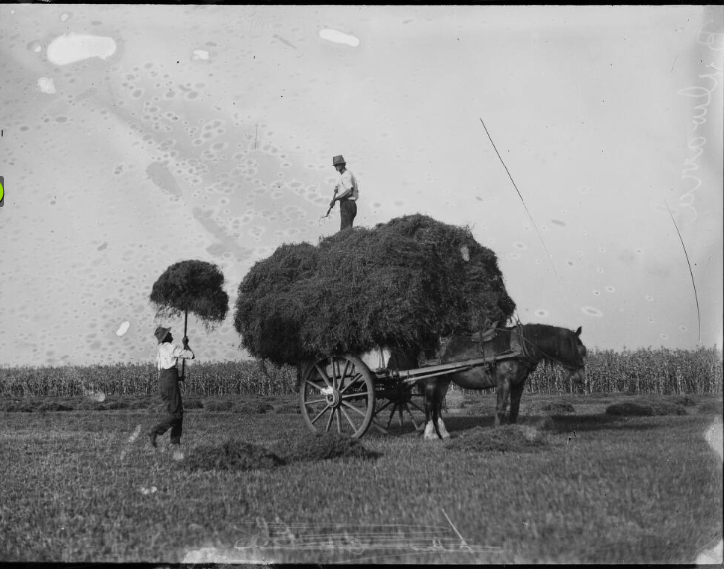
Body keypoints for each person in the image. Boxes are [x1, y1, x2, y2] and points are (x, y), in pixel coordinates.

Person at [148, 325, 195, 450]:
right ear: (166, 337)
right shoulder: (171, 347)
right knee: (177, 414)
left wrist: (178, 378)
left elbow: (165, 369)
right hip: (169, 383)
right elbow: (190, 355)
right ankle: (156, 431)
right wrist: (186, 344)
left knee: (176, 412)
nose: (172, 334)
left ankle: (175, 441)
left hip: (163, 382)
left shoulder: (160, 350)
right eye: (169, 333)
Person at [329, 155, 359, 230]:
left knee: (345, 231)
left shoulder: (346, 175)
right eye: (335, 165)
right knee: (347, 229)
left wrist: (335, 199)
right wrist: (338, 189)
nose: (336, 167)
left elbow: (349, 190)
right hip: (350, 204)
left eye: (337, 165)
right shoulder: (347, 174)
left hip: (347, 204)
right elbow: (347, 188)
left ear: (343, 164)